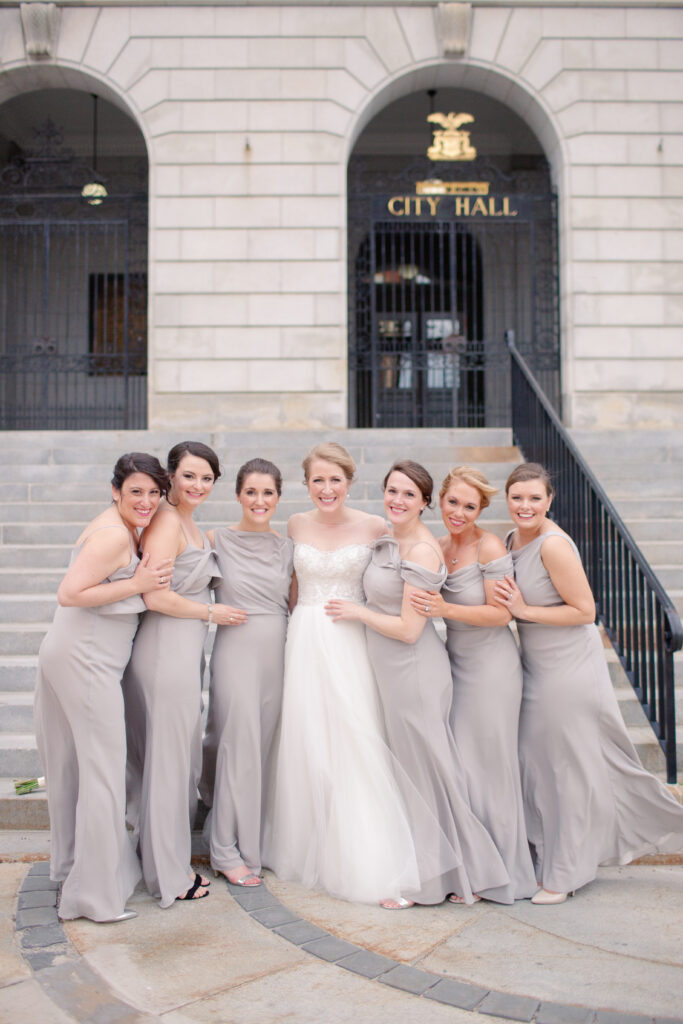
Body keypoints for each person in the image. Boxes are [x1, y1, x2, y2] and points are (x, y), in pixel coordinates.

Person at [496, 462, 683, 904]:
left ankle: (565, 874)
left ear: (549, 500)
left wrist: (525, 612)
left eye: (534, 498)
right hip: (534, 666)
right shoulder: (509, 540)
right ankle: (552, 855)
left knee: (567, 770)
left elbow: (586, 612)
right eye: (517, 497)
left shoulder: (554, 545)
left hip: (569, 669)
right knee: (541, 764)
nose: (525, 506)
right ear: (507, 498)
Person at [326, 461, 511, 907]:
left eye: (409, 494)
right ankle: (448, 870)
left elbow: (410, 629)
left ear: (424, 502)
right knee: (417, 772)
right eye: (392, 491)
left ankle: (435, 881)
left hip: (414, 669)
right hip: (392, 671)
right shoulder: (391, 539)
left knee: (428, 775)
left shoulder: (423, 552)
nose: (397, 500)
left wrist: (358, 613)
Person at [262, 442, 421, 905]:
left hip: (351, 637)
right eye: (317, 480)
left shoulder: (375, 526)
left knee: (355, 737)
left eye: (335, 480)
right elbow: (292, 589)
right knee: (307, 738)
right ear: (306, 483)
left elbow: (401, 567)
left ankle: (367, 855)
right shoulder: (295, 524)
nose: (326, 489)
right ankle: (307, 841)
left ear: (349, 482)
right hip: (305, 637)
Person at [34, 452, 172, 922]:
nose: (147, 501)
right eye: (137, 491)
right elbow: (70, 593)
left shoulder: (120, 527)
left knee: (80, 768)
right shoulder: (114, 535)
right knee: (103, 771)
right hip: (85, 659)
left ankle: (77, 870)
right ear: (115, 491)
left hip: (79, 654)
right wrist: (137, 582)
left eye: (155, 492)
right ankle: (93, 897)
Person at [409, 466, 537, 901]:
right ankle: (476, 866)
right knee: (464, 767)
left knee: (491, 767)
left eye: (470, 505)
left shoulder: (488, 547)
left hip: (492, 668)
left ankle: (504, 872)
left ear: (481, 509)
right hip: (455, 665)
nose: (459, 512)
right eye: (452, 502)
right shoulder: (438, 546)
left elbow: (502, 615)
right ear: (439, 500)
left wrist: (445, 610)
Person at [123, 441, 234, 906]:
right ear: (171, 475)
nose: (198, 486)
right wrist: (213, 614)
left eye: (207, 478)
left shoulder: (189, 522)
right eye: (189, 476)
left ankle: (158, 858)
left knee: (174, 761)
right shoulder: (167, 523)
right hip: (165, 650)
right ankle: (169, 875)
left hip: (184, 653)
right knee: (169, 765)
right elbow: (155, 596)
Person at [200, 458, 293, 887]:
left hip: (276, 650)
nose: (259, 500)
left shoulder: (286, 547)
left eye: (268, 493)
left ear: (278, 497)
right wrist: (209, 613)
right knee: (237, 744)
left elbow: (294, 602)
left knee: (262, 748)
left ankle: (251, 840)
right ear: (238, 494)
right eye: (251, 492)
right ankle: (224, 849)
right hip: (235, 648)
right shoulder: (215, 539)